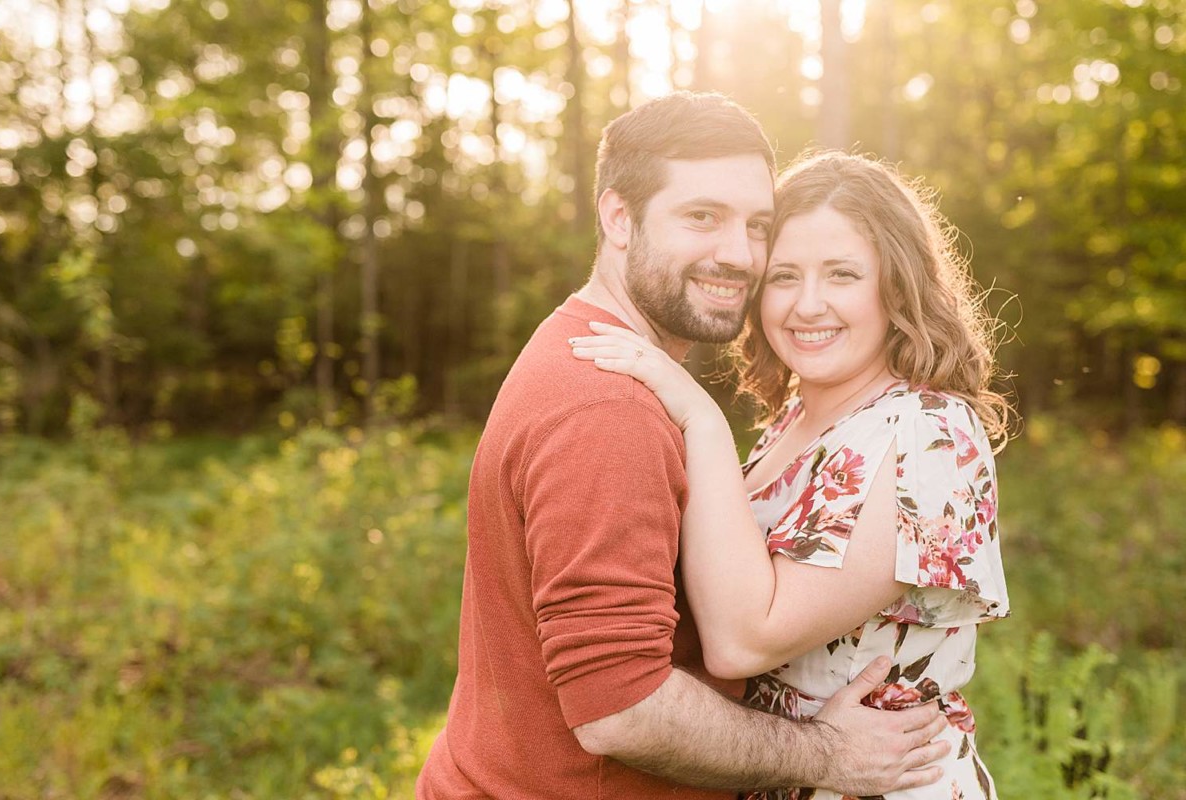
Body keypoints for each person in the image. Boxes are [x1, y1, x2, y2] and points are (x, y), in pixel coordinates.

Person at [417, 97, 950, 799]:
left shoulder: (587, 353)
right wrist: (824, 756)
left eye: (757, 226)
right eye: (701, 216)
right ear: (618, 218)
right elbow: (621, 710)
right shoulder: (609, 408)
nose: (738, 254)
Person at [571, 151, 1013, 799]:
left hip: (884, 783)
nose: (808, 305)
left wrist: (699, 416)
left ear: (897, 286)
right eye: (783, 276)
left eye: (842, 274)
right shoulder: (794, 423)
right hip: (788, 772)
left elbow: (745, 643)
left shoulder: (928, 432)